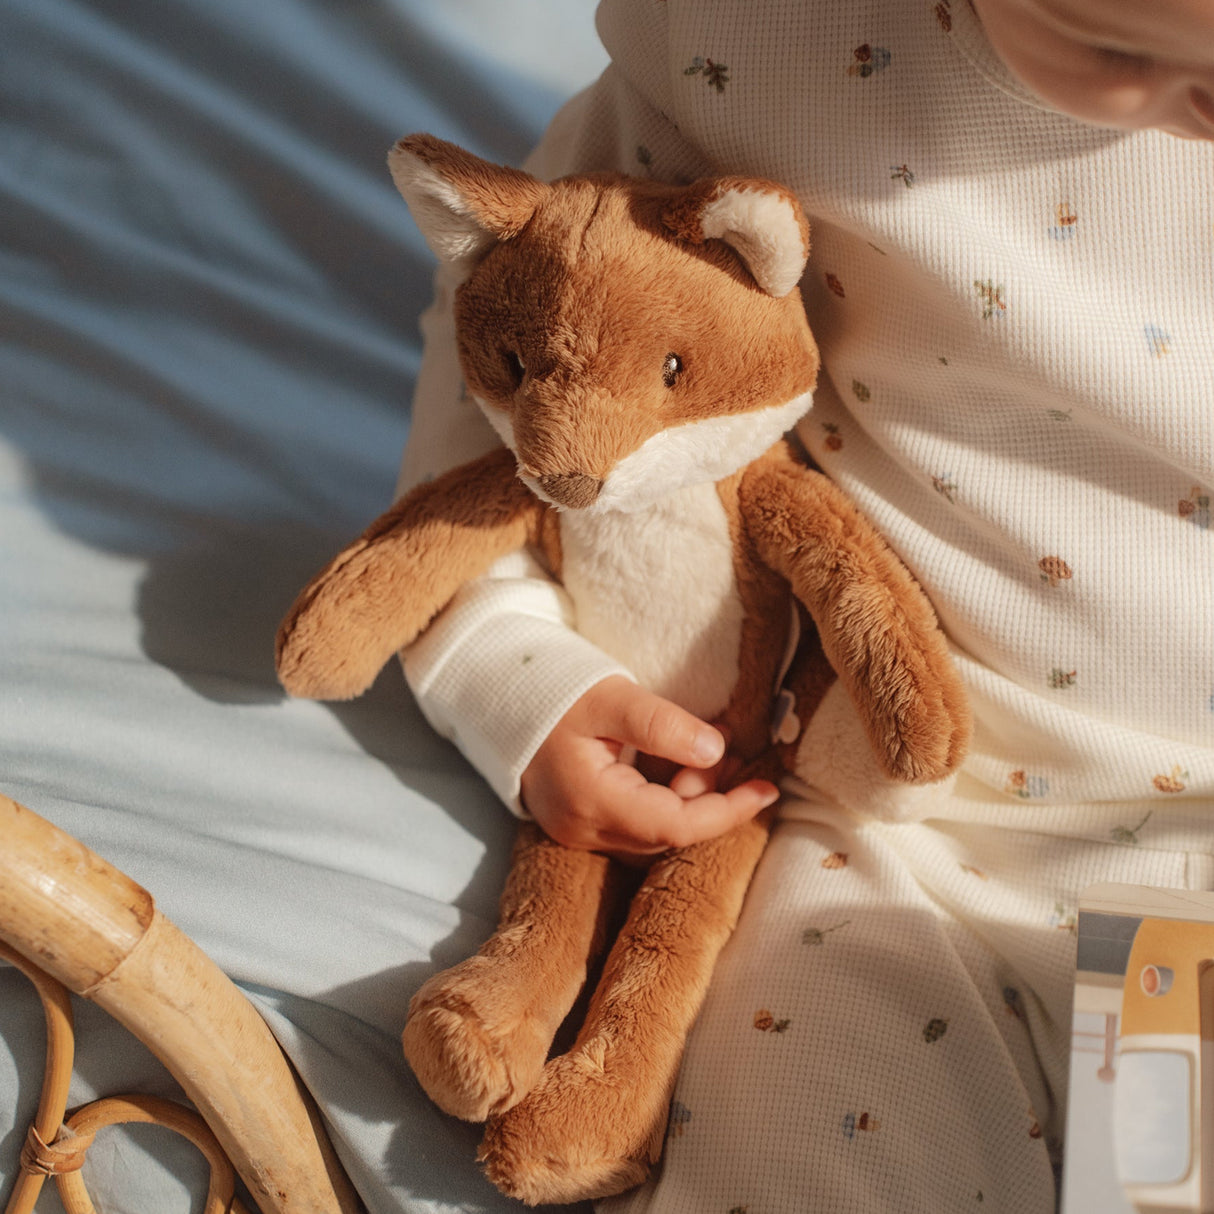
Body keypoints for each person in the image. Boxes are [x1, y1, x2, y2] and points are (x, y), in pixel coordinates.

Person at [397, 0, 1214, 1208]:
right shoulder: (752, 44)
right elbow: (538, 343)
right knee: (797, 1157)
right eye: (1118, 49)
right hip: (891, 819)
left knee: (1159, 1164)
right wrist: (510, 664)